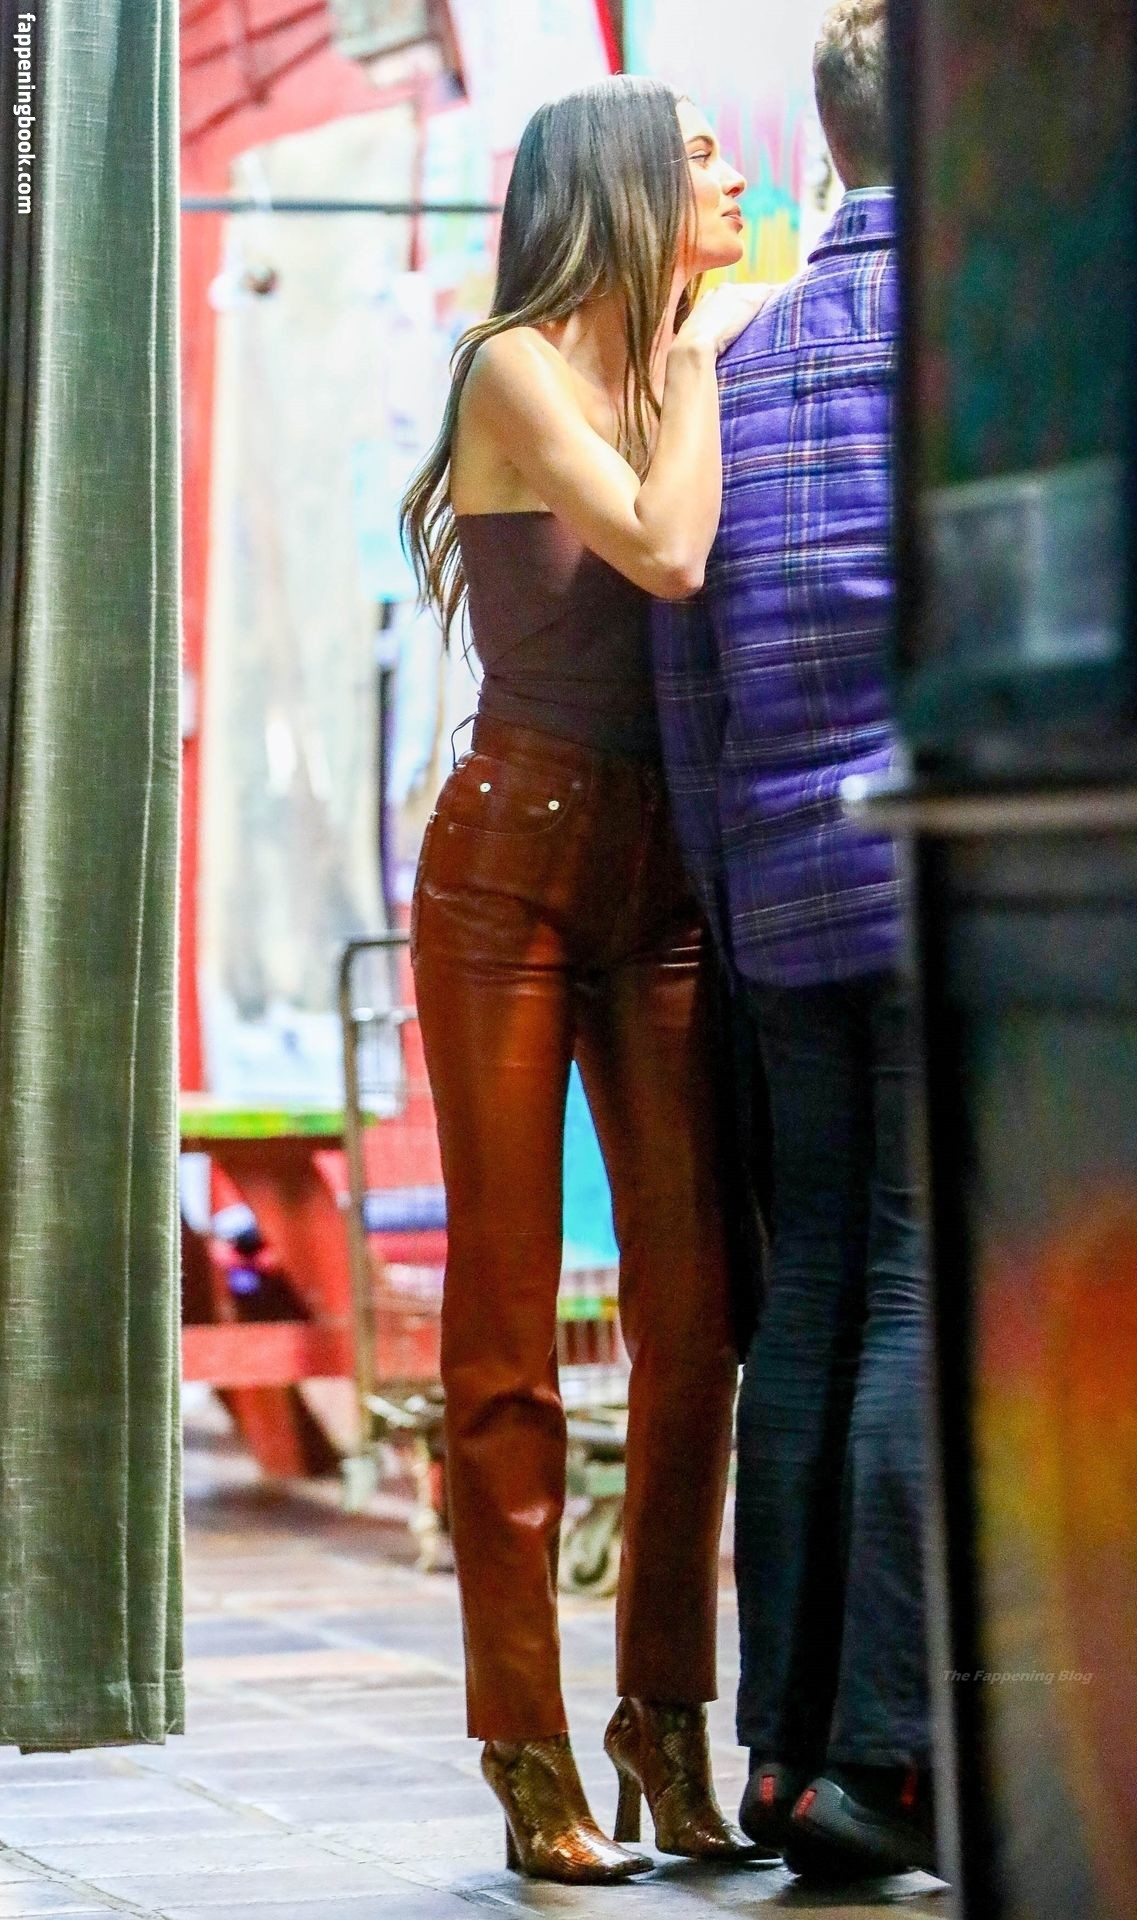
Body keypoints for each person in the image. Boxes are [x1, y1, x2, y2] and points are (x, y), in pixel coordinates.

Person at [398, 78, 770, 1886]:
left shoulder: (680, 365)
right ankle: (527, 1741)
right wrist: (696, 363)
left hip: (662, 869)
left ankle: (665, 1725)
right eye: (699, 153)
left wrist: (698, 360)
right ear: (619, 182)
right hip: (508, 872)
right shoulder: (514, 367)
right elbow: (667, 551)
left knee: (699, 1315)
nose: (734, 174)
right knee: (509, 1322)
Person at [652, 0, 937, 1880]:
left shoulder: (732, 351)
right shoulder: (973, 334)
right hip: (927, 874)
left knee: (813, 1292)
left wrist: (730, 884)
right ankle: (885, 1757)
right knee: (915, 1289)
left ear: (827, 138)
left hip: (774, 878)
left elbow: (685, 668)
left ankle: (779, 1755)